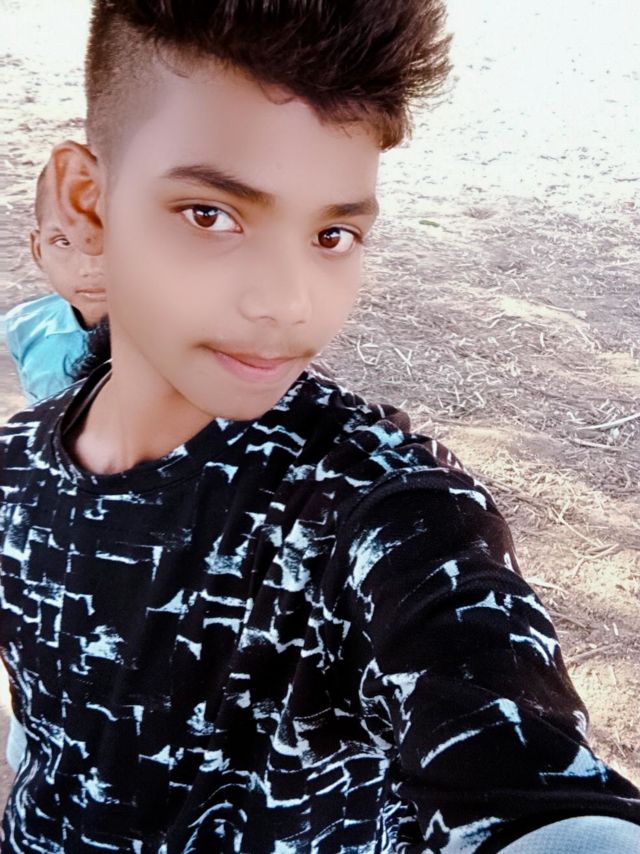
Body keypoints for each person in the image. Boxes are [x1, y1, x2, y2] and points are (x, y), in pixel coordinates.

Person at [0, 1, 638, 851]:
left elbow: (527, 786)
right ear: (87, 204)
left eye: (333, 233)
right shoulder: (14, 470)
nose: (289, 303)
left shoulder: (382, 510)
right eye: (211, 214)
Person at [3, 162, 107, 403]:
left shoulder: (176, 339)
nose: (91, 268)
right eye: (64, 242)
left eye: (113, 239)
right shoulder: (25, 327)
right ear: (38, 250)